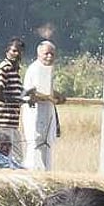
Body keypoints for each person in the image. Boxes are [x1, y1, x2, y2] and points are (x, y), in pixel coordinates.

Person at [21, 40, 65, 171]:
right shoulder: (35, 69)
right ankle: (34, 174)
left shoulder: (48, 69)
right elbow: (32, 91)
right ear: (39, 54)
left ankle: (46, 173)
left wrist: (57, 95)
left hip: (47, 114)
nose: (49, 57)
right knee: (35, 146)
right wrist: (52, 97)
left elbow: (47, 89)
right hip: (35, 114)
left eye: (52, 54)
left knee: (47, 146)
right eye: (46, 54)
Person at [0, 38, 26, 154]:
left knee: (16, 157)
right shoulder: (3, 68)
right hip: (1, 121)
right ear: (7, 51)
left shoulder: (15, 71)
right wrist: (18, 101)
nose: (17, 54)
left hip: (11, 123)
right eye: (14, 51)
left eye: (19, 51)